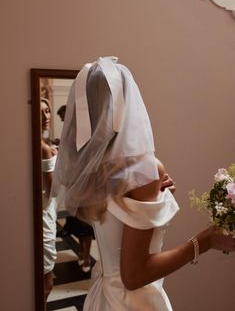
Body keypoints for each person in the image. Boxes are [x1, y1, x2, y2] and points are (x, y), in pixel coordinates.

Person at [50, 57, 235, 311]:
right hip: (134, 302)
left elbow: (106, 220)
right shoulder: (143, 169)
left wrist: (152, 199)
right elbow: (134, 276)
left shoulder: (94, 168)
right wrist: (205, 241)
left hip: (104, 294)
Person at [56, 104, 95, 273]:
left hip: (85, 186)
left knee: (85, 226)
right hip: (74, 186)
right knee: (77, 225)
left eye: (64, 117)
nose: (63, 121)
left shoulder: (83, 134)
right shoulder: (70, 135)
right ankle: (83, 252)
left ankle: (86, 256)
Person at [41, 98, 58, 302]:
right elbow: (54, 188)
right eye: (41, 113)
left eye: (47, 111)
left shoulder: (44, 145)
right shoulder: (44, 148)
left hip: (46, 211)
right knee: (46, 282)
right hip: (45, 212)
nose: (46, 117)